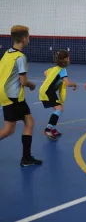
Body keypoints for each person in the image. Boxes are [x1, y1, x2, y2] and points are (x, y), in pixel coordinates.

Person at [0, 25, 42, 166]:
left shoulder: (7, 53)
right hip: (14, 98)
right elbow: (23, 81)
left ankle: (26, 157)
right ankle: (26, 158)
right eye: (28, 36)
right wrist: (32, 85)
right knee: (8, 130)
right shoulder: (20, 57)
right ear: (24, 39)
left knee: (28, 123)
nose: (29, 39)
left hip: (7, 95)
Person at [39, 50, 78, 140]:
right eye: (68, 57)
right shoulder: (62, 70)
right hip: (48, 92)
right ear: (65, 59)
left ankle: (52, 128)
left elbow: (45, 72)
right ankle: (48, 129)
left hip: (48, 91)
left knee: (58, 108)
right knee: (59, 108)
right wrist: (75, 84)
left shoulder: (54, 69)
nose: (69, 59)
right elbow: (67, 83)